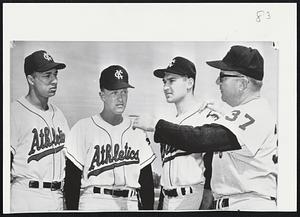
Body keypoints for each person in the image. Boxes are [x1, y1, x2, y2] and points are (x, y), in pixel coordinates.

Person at [133, 45, 278, 211]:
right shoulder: (244, 113)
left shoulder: (257, 112)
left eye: (222, 77)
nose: (217, 81)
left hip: (248, 204)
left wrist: (156, 125)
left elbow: (201, 139)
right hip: (233, 203)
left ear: (242, 84)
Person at [64, 65, 156, 211]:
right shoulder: (83, 127)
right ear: (102, 95)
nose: (120, 98)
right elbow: (72, 181)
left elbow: (146, 182)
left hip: (130, 202)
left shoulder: (138, 130)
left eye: (124, 92)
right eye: (114, 93)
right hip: (95, 201)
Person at [147, 56, 213, 210]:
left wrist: (206, 200)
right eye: (164, 82)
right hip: (167, 198)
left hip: (192, 196)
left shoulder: (205, 115)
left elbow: (213, 167)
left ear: (189, 83)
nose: (165, 87)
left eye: (172, 80)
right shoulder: (169, 124)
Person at [10, 50, 69, 212]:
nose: (54, 80)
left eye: (55, 74)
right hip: (27, 196)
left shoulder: (59, 115)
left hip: (57, 196)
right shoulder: (13, 112)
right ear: (31, 79)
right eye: (47, 75)